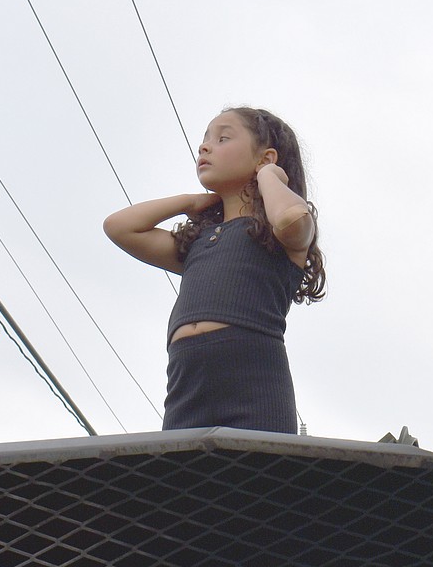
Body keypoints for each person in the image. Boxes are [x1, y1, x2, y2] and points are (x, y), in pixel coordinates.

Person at [103, 107, 325, 433]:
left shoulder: (280, 234)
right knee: (183, 481)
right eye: (205, 139)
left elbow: (290, 218)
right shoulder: (198, 242)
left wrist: (268, 177)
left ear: (266, 158)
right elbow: (119, 227)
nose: (204, 147)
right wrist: (188, 202)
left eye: (222, 138)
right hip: (185, 382)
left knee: (261, 480)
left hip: (255, 383)